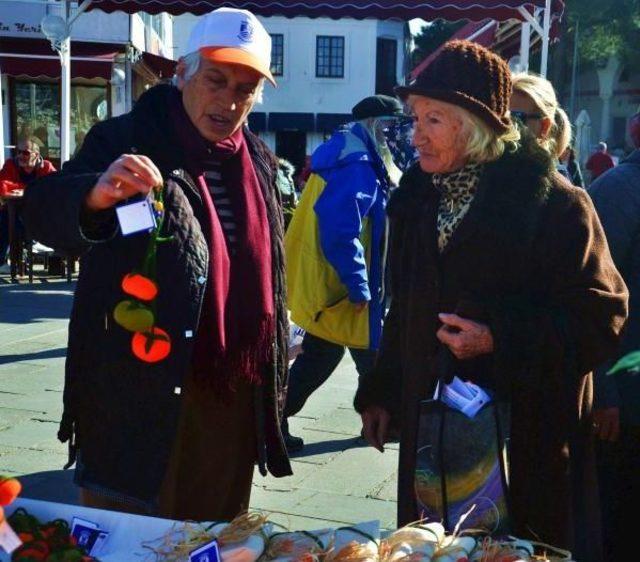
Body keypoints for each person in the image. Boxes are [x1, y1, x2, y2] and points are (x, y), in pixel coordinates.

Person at [354, 40, 628, 562]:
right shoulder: (416, 196)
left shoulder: (556, 205)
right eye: (415, 117)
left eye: (434, 119)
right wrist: (383, 392)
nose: (416, 134)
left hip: (525, 444)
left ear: (476, 125)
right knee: (428, 548)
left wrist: (500, 337)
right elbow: (404, 308)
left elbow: (603, 314)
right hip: (433, 435)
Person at [23, 7, 291, 521]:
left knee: (213, 539)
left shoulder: (257, 156)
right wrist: (93, 198)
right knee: (132, 534)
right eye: (216, 80)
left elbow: (269, 268)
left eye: (245, 88)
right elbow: (42, 212)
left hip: (229, 388)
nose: (229, 100)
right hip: (137, 387)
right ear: (183, 72)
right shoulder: (126, 139)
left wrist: (280, 338)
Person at [283, 95, 407, 452]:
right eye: (388, 127)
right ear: (372, 126)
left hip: (330, 283)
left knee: (326, 355)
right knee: (371, 354)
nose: (393, 136)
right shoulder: (357, 162)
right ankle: (384, 422)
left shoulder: (345, 152)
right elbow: (341, 230)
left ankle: (273, 421)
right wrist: (359, 285)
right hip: (342, 287)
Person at [588, 112, 640, 562]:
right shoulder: (620, 190)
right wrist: (603, 391)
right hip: (623, 398)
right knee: (617, 521)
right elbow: (591, 301)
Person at [0, 138, 56, 272]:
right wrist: (31, 188)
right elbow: (2, 185)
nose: (20, 156)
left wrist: (23, 189)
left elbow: (55, 188)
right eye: (18, 152)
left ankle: (28, 249)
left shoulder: (46, 166)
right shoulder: (10, 165)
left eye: (25, 153)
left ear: (36, 155)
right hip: (13, 210)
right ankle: (5, 262)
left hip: (40, 212)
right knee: (3, 220)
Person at [510, 72, 572, 167]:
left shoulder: (548, 179)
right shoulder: (487, 170)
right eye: (500, 116)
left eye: (515, 118)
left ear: (544, 126)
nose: (504, 125)